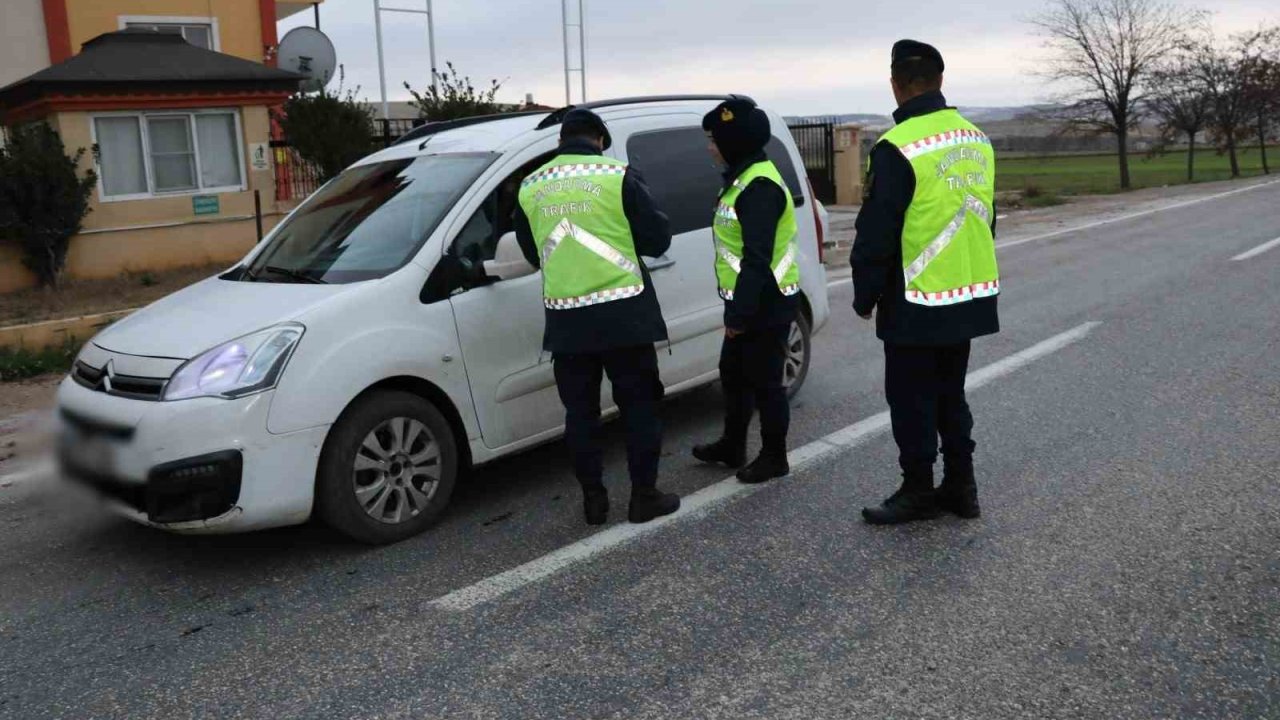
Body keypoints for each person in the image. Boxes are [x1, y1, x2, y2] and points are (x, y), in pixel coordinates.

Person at [852, 40, 1001, 525]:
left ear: (896, 84)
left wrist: (865, 292)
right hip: (968, 290)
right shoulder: (977, 139)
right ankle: (962, 486)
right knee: (950, 393)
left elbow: (878, 229)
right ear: (939, 80)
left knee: (912, 398)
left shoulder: (897, 146)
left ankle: (918, 489)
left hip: (916, 295)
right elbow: (987, 216)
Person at [514, 108, 681, 526]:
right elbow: (658, 238)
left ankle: (594, 500)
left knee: (581, 415)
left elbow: (533, 253)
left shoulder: (530, 186)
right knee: (640, 407)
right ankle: (643, 497)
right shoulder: (616, 175)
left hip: (568, 322)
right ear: (601, 141)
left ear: (560, 142)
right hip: (625, 315)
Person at [692, 97, 800, 484]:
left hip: (764, 301)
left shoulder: (759, 187)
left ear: (733, 141)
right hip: (748, 299)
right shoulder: (742, 178)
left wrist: (739, 315)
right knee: (733, 374)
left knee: (766, 382)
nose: (710, 147)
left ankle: (775, 456)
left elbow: (756, 258)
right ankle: (732, 445)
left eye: (714, 139)